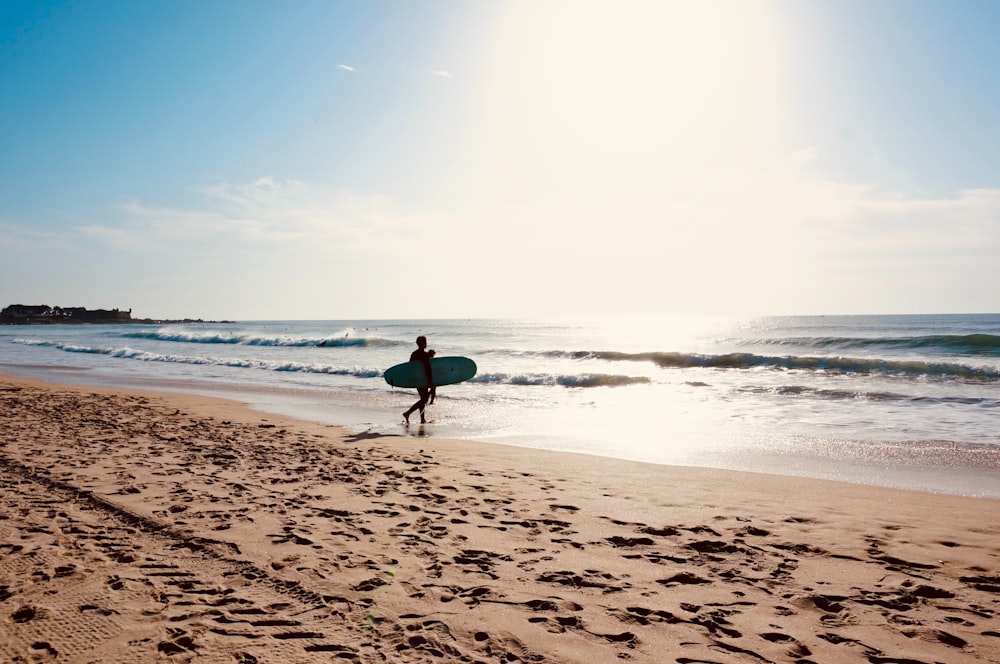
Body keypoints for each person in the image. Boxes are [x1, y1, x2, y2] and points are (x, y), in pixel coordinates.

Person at [403, 336, 434, 424]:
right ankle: (408, 413)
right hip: (424, 380)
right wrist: (430, 380)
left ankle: (422, 419)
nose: (426, 343)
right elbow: (428, 369)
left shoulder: (414, 354)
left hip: (417, 379)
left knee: (423, 399)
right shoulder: (424, 355)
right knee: (424, 400)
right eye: (425, 342)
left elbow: (410, 367)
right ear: (423, 343)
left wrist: (411, 378)